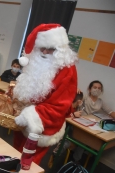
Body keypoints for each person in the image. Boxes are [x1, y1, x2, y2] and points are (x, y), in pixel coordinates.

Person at [12, 23, 78, 165]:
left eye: (51, 49)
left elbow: (59, 106)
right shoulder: (34, 61)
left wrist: (29, 116)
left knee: (27, 164)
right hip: (21, 121)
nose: (45, 52)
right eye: (42, 48)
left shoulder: (67, 70)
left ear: (61, 49)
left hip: (42, 126)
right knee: (13, 154)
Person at [73, 81, 115, 161]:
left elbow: (110, 112)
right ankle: (76, 160)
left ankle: (88, 158)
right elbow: (73, 101)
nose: (97, 90)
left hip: (91, 125)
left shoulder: (100, 102)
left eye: (99, 88)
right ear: (90, 89)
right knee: (85, 140)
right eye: (95, 87)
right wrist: (75, 91)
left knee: (97, 140)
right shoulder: (84, 98)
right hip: (79, 124)